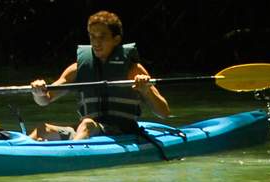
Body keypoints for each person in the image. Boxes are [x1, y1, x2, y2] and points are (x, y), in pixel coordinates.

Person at [25, 9, 172, 140]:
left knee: (87, 125)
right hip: (87, 130)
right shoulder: (77, 69)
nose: (96, 42)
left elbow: (164, 112)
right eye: (92, 37)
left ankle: (72, 159)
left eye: (102, 37)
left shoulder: (133, 70)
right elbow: (45, 100)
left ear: (116, 40)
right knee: (42, 130)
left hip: (121, 132)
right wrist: (38, 92)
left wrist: (145, 90)